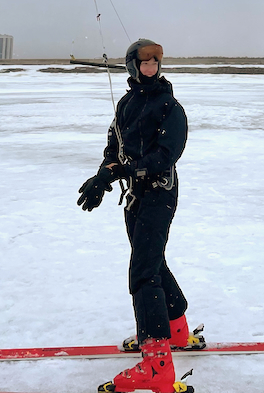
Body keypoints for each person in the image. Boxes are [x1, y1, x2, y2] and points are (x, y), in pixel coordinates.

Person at [78, 40, 197, 393]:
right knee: (152, 262)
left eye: (156, 61)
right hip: (134, 198)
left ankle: (157, 365)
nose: (152, 66)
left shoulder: (170, 106)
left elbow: (166, 155)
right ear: (132, 66)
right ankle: (177, 330)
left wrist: (131, 169)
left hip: (160, 193)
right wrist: (103, 176)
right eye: (145, 61)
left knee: (143, 272)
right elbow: (114, 148)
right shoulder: (127, 104)